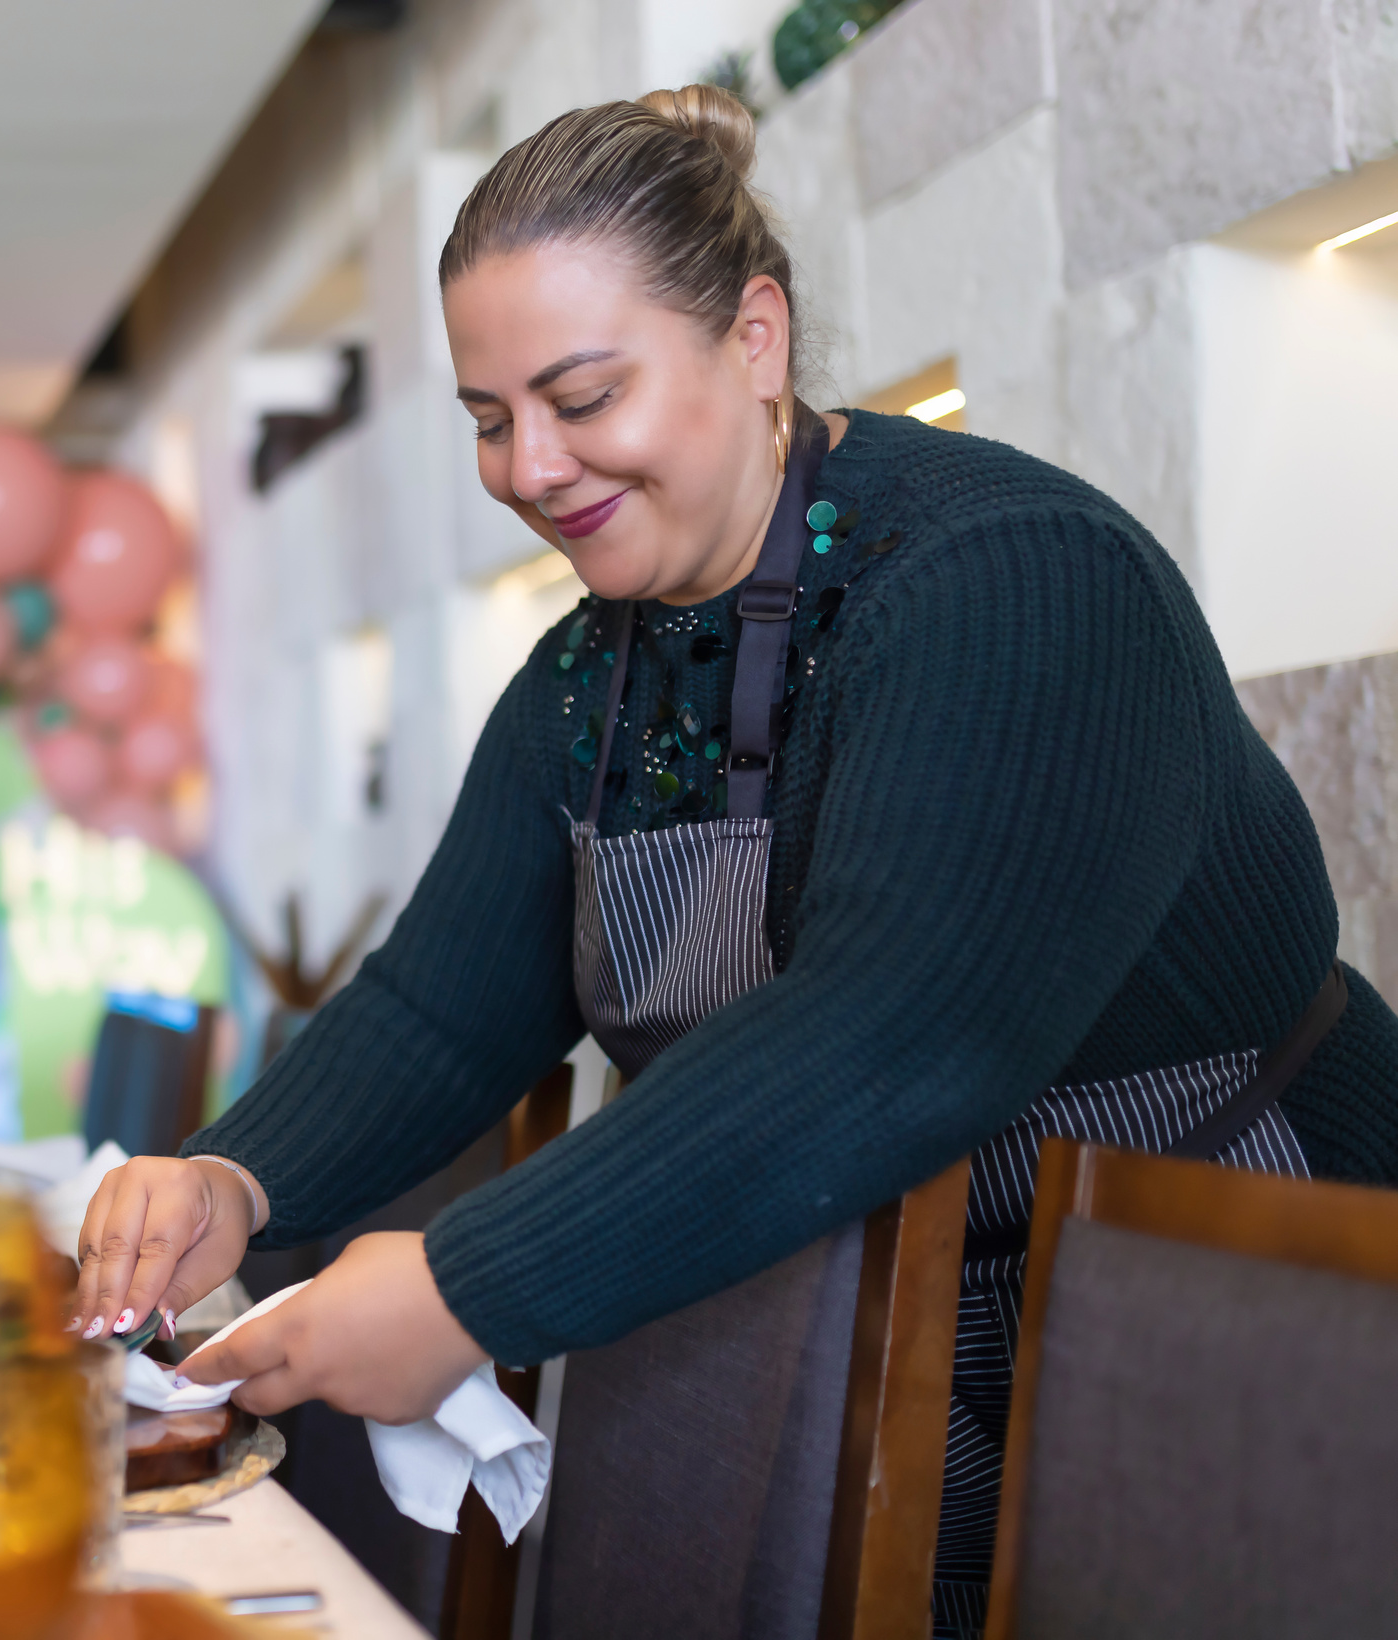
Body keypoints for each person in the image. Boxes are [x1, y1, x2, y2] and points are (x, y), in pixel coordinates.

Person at [70, 86, 1398, 1637]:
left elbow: (896, 1036)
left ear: (752, 338)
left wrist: (462, 1286)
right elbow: (441, 1008)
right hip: (857, 1306)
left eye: (580, 396)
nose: (529, 466)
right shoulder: (583, 678)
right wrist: (238, 1174)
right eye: (490, 419)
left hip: (1219, 1300)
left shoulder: (1010, 582)